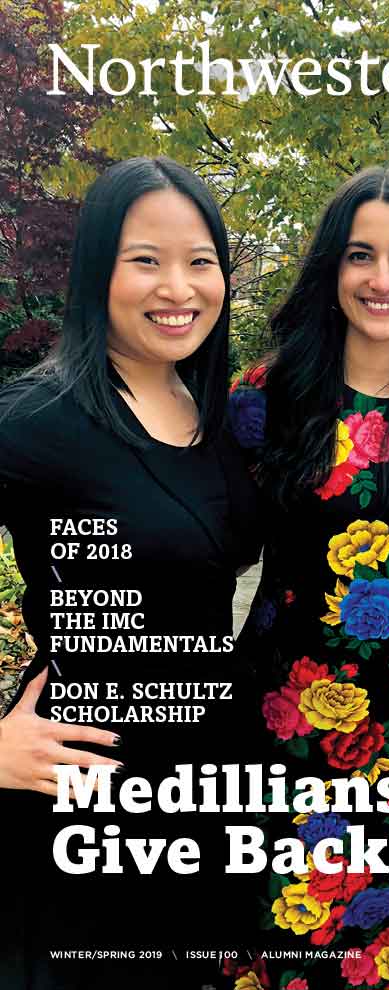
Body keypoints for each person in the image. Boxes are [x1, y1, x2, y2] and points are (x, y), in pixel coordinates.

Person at [0, 157, 260, 989]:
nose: (177, 287)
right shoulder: (38, 420)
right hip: (84, 797)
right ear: (96, 272)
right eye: (145, 259)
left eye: (200, 261)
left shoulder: (213, 415)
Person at [226, 166, 389, 989]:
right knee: (261, 943)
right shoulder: (269, 396)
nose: (382, 279)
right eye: (359, 255)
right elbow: (199, 543)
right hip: (271, 724)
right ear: (330, 271)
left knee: (363, 956)